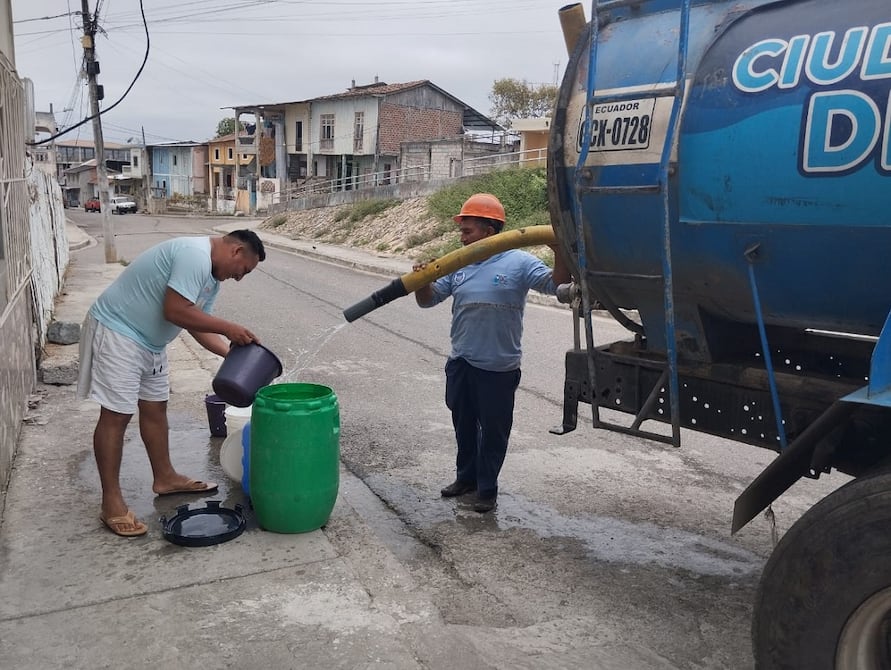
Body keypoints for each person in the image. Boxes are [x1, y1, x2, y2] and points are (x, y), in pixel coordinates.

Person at [76, 229, 266, 537]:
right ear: (235, 252)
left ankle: (165, 477)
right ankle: (111, 502)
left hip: (150, 343)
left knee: (155, 409)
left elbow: (196, 324)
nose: (240, 278)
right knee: (116, 415)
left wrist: (234, 355)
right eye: (243, 270)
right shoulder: (194, 255)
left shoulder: (211, 278)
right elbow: (176, 310)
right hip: (118, 331)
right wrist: (230, 327)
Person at [413, 193, 572, 513]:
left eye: (468, 230)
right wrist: (422, 280)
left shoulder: (519, 262)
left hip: (498, 368)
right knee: (464, 425)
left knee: (494, 430)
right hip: (461, 362)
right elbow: (427, 300)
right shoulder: (458, 263)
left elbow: (557, 287)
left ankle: (487, 488)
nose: (462, 236)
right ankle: (466, 478)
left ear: (489, 229)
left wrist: (560, 252)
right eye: (462, 230)